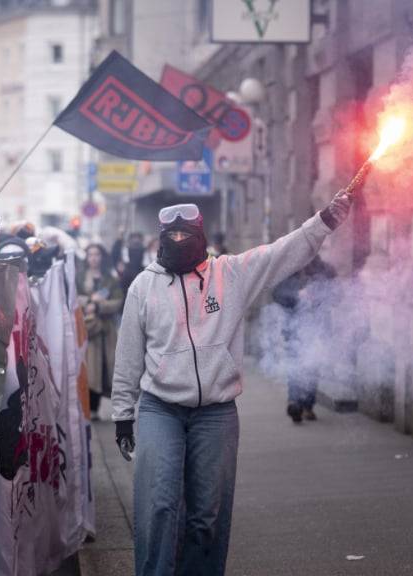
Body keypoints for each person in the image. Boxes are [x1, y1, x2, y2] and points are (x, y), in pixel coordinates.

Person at [112, 192, 352, 576]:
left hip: (216, 413)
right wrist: (123, 414)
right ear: (160, 238)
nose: (178, 242)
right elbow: (128, 354)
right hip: (161, 409)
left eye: (185, 234)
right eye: (170, 236)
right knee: (159, 506)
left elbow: (282, 252)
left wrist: (323, 221)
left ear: (200, 235)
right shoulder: (143, 286)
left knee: (207, 515)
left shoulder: (231, 273)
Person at [272, 255, 336, 423]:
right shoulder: (289, 267)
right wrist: (297, 295)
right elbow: (277, 293)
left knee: (311, 366)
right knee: (296, 365)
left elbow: (336, 295)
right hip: (294, 328)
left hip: (317, 327)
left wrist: (317, 296)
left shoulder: (325, 269)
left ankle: (307, 405)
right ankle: (295, 402)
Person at [76, 243, 123, 418]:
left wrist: (98, 304)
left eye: (97, 254)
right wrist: (88, 301)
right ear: (86, 258)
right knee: (89, 368)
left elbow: (118, 301)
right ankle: (89, 407)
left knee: (105, 367)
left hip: (106, 330)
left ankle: (96, 407)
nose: (94, 258)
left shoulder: (110, 278)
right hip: (87, 329)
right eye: (90, 254)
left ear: (102, 256)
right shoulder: (79, 277)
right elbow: (72, 297)